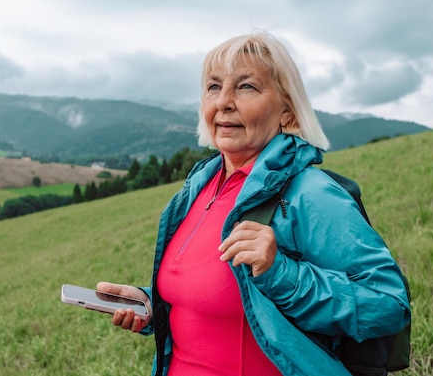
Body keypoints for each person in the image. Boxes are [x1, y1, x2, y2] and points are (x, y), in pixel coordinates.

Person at [97, 32, 411, 376]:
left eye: (246, 87)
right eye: (214, 87)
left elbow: (388, 306)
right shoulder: (196, 188)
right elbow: (217, 299)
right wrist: (151, 305)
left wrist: (282, 273)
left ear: (287, 111)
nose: (224, 102)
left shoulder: (311, 194)